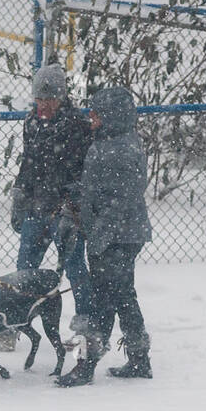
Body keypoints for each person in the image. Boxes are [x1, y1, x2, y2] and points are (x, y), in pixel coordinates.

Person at [56, 85, 152, 386]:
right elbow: (95, 191)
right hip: (114, 235)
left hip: (117, 238)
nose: (91, 118)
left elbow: (121, 200)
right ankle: (138, 359)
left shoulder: (122, 149)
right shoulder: (107, 143)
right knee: (122, 297)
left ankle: (85, 365)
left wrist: (99, 236)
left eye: (96, 114)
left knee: (103, 301)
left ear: (112, 116)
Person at [10, 65, 94, 318]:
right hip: (36, 207)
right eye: (39, 99)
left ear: (61, 98)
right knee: (25, 268)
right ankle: (16, 320)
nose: (43, 105)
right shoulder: (31, 122)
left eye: (49, 100)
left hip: (65, 211)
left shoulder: (78, 124)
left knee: (75, 266)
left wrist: (73, 206)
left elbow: (83, 171)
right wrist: (20, 199)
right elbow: (28, 164)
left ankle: (85, 322)